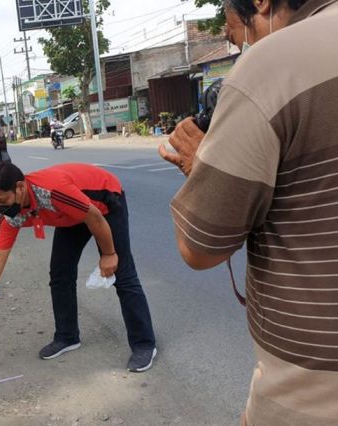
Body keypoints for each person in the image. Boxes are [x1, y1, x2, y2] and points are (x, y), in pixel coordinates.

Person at [159, 0, 338, 424]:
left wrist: (198, 166)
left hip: (314, 389)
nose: (243, 46)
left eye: (237, 32)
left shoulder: (273, 64)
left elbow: (201, 248)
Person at [0, 162, 157, 372]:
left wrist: (109, 254)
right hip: (72, 215)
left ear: (20, 187)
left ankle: (144, 344)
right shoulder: (11, 215)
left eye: (2, 200)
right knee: (60, 274)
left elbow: (94, 218)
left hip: (104, 203)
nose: (0, 207)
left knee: (122, 273)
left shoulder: (53, 192)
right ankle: (67, 337)